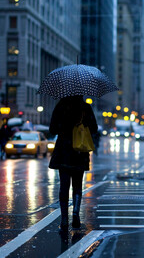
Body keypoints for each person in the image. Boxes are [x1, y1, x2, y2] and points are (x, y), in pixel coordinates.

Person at [49, 96, 97, 231]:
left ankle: (64, 218)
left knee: (64, 186)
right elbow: (94, 128)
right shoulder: (85, 107)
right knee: (77, 185)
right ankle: (75, 211)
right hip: (79, 152)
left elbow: (52, 129)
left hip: (64, 151)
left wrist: (64, 127)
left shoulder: (61, 106)